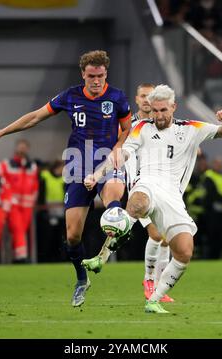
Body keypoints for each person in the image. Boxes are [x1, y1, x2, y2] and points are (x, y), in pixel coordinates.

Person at [0, 50, 131, 307]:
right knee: (73, 236)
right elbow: (36, 116)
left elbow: (128, 128)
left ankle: (120, 226)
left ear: (106, 73)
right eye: (91, 76)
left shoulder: (117, 97)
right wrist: (2, 132)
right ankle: (82, 279)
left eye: (101, 76)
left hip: (107, 162)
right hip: (77, 165)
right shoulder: (70, 96)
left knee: (113, 199)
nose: (96, 81)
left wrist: (118, 148)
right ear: (83, 74)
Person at [84, 84, 222, 313]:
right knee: (137, 203)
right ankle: (102, 257)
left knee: (185, 251)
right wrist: (97, 175)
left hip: (173, 195)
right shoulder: (142, 128)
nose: (158, 115)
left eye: (163, 110)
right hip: (147, 183)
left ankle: (154, 299)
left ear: (174, 107)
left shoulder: (191, 128)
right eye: (154, 111)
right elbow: (122, 154)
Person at [83, 83, 173, 302]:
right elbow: (116, 150)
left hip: (164, 186)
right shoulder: (128, 126)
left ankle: (103, 259)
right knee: (156, 234)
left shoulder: (160, 125)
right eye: (143, 96)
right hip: (139, 188)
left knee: (166, 238)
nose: (146, 100)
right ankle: (149, 283)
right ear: (136, 98)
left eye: (149, 97)